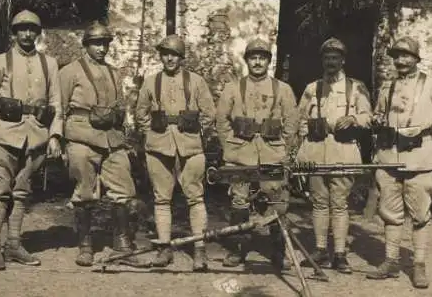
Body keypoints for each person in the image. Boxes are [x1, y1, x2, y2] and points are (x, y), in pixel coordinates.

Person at [0, 9, 63, 271]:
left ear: (39, 33)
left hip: (35, 136)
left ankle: (14, 244)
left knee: (22, 193)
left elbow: (56, 103)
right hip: (3, 135)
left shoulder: (50, 64)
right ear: (14, 33)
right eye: (22, 29)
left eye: (32, 29)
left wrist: (55, 135)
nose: (27, 34)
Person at [59, 21, 147, 268]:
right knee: (85, 192)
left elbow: (119, 105)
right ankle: (85, 245)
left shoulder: (113, 72)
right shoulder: (70, 72)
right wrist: (58, 139)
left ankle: (121, 241)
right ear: (86, 45)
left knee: (124, 188)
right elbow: (59, 107)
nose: (101, 48)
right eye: (96, 43)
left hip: (111, 138)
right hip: (81, 136)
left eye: (105, 44)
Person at [366, 37, 432, 288]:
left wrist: (429, 149)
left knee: (420, 215)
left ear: (416, 58)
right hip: (389, 157)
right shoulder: (387, 87)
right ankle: (391, 261)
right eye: (397, 56)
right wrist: (376, 122)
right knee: (390, 213)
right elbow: (379, 115)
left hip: (419, 159)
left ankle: (419, 265)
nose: (401, 61)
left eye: (406, 56)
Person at [135, 34, 216, 271]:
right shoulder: (151, 82)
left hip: (191, 146)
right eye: (165, 54)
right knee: (161, 198)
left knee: (195, 196)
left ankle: (199, 249)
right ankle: (164, 248)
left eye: (174, 54)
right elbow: (141, 113)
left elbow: (209, 113)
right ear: (161, 56)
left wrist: (195, 128)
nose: (169, 58)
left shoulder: (196, 81)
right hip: (158, 146)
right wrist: (152, 133)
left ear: (181, 58)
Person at [215, 38, 298, 270]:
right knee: (239, 202)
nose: (258, 62)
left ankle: (279, 252)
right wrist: (230, 148)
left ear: (269, 61)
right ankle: (238, 250)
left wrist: (282, 149)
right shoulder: (233, 88)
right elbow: (221, 120)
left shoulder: (283, 89)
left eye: (262, 57)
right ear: (247, 61)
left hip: (272, 155)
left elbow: (292, 122)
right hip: (241, 154)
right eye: (253, 57)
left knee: (277, 202)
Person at [296, 37, 372, 274]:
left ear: (343, 60)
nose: (331, 62)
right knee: (319, 203)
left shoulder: (356, 87)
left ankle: (340, 254)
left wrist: (354, 119)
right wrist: (301, 148)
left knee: (339, 204)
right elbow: (299, 119)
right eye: (327, 58)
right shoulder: (312, 88)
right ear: (322, 60)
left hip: (344, 150)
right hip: (316, 150)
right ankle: (320, 250)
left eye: (335, 58)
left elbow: (369, 116)